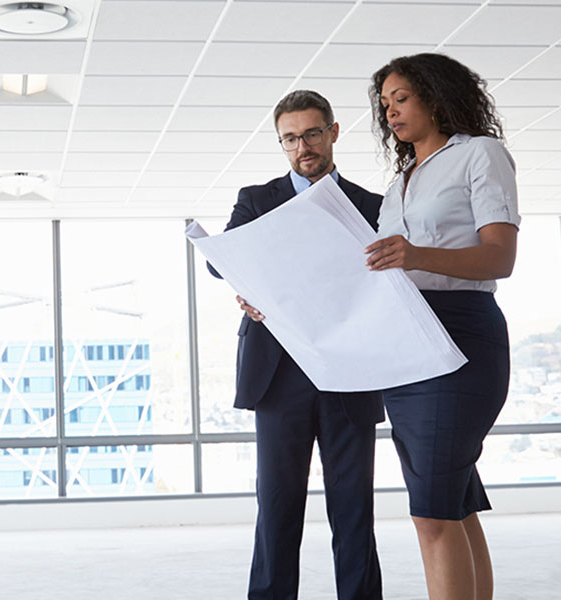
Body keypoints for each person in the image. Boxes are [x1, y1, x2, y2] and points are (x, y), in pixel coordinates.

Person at [208, 90, 385, 600]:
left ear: (332, 132)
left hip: (349, 370)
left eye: (311, 133)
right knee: (278, 505)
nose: (302, 146)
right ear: (281, 143)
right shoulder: (256, 199)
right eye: (290, 138)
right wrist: (251, 286)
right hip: (279, 375)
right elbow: (221, 261)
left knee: (353, 507)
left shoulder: (371, 205)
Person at [365, 53, 520, 600]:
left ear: (435, 95)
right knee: (451, 505)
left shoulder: (480, 154)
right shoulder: (398, 183)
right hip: (406, 347)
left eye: (401, 97)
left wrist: (415, 255)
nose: (390, 111)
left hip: (461, 339)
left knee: (431, 513)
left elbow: (499, 258)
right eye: (385, 103)